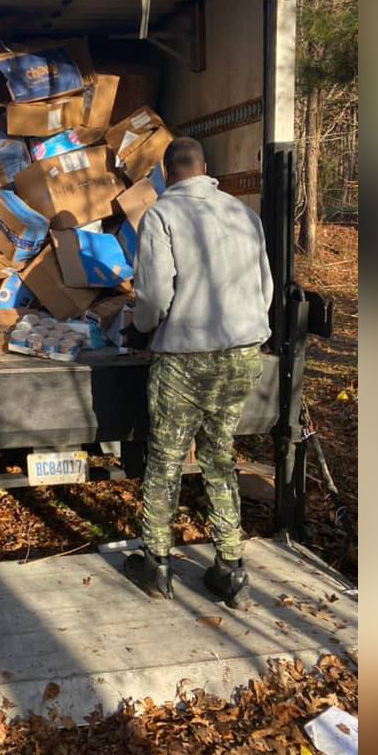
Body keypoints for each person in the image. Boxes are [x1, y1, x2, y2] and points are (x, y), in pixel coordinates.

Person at [122, 136, 273, 605]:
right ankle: (230, 566)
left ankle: (157, 564)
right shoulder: (242, 214)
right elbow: (264, 287)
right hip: (241, 354)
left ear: (167, 173)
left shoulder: (162, 215)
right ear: (207, 168)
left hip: (185, 358)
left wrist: (141, 331)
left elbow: (152, 295)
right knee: (219, 455)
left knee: (165, 460)